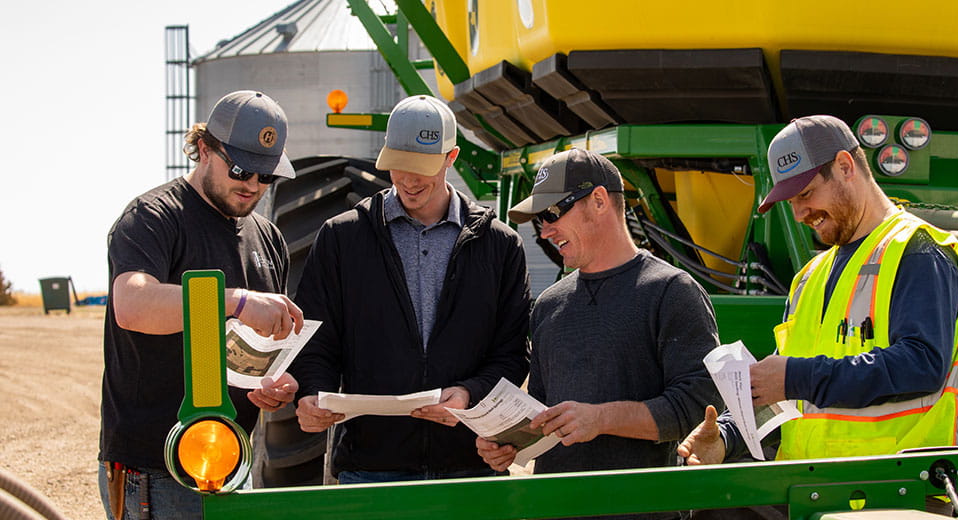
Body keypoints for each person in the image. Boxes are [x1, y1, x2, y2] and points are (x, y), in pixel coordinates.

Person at [677, 115, 958, 514]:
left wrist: (795, 376)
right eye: (791, 200)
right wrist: (726, 435)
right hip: (808, 494)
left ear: (846, 166)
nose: (799, 213)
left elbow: (922, 364)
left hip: (892, 497)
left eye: (806, 193)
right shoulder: (808, 277)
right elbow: (789, 397)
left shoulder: (917, 251)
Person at [291, 95, 531, 484]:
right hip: (370, 470)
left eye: (421, 167)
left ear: (451, 157)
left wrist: (469, 392)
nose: (408, 179)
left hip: (470, 468)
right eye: (397, 165)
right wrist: (313, 392)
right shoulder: (342, 238)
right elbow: (314, 340)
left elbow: (512, 353)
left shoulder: (500, 246)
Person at [476, 148, 721, 520]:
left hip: (644, 512)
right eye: (539, 221)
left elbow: (699, 406)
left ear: (599, 200)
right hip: (554, 510)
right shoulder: (548, 305)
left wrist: (601, 419)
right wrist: (508, 444)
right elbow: (543, 413)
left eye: (552, 214)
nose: (545, 230)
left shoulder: (671, 291)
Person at [98, 91, 304, 520]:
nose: (252, 185)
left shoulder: (267, 238)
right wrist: (236, 301)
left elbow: (249, 348)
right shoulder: (154, 217)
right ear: (205, 149)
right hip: (157, 469)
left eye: (267, 176)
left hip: (229, 462)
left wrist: (270, 386)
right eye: (241, 170)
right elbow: (132, 304)